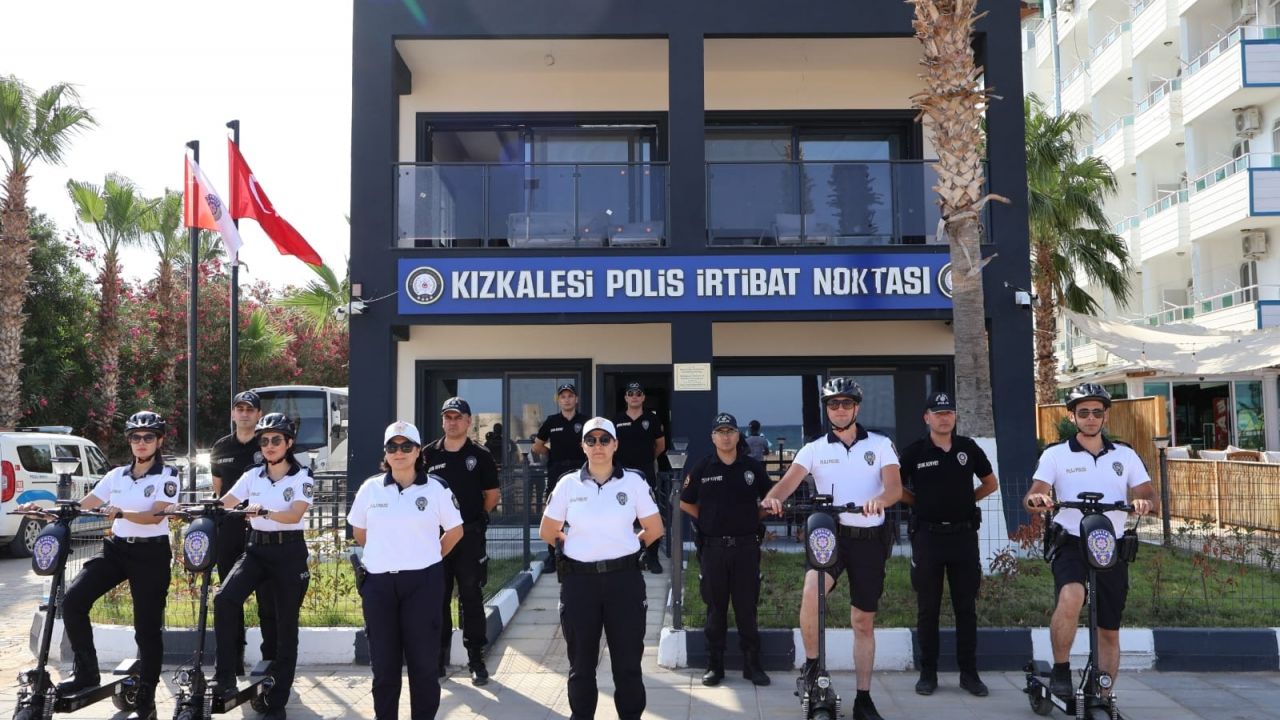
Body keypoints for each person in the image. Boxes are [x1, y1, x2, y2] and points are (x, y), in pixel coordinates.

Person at [19, 411, 179, 720]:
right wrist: (43, 511)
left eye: (148, 437)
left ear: (159, 441)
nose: (141, 442)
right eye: (135, 437)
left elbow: (157, 515)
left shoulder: (168, 475)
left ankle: (146, 697)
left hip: (151, 554)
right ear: (129, 441)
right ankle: (87, 673)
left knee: (146, 628)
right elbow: (83, 506)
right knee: (73, 601)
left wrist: (123, 513)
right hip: (116, 550)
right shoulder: (117, 475)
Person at [761, 378, 902, 720]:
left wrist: (879, 501)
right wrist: (771, 500)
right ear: (827, 410)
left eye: (846, 403)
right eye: (833, 404)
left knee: (863, 621)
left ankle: (864, 698)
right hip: (830, 535)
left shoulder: (881, 445)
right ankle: (813, 668)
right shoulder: (813, 449)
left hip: (869, 539)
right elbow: (785, 485)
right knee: (812, 592)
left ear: (857, 407)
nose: (839, 409)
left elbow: (894, 488)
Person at [1024, 383, 1155, 700]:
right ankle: (1061, 669)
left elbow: (1148, 494)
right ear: (1072, 416)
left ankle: (1103, 694)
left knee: (1109, 627)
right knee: (1071, 597)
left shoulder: (1125, 455)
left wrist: (1144, 502)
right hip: (1071, 541)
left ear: (1105, 416)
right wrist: (1039, 500)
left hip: (1111, 544)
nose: (1091, 418)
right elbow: (1032, 496)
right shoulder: (1056, 454)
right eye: (1083, 412)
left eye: (1097, 412)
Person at [539, 418, 664, 720]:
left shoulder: (634, 482)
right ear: (582, 446)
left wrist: (628, 545)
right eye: (591, 440)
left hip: (624, 582)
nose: (598, 446)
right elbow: (548, 530)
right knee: (581, 665)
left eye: (605, 440)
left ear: (615, 445)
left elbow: (654, 528)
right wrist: (574, 544)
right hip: (580, 583)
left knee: (628, 665)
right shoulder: (568, 484)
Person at [349, 420, 464, 720]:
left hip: (422, 584)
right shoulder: (370, 489)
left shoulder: (436, 488)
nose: (398, 452)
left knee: (423, 665)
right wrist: (387, 553)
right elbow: (359, 532)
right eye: (392, 447)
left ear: (417, 451)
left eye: (406, 446)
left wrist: (428, 556)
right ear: (385, 453)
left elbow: (455, 531)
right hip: (379, 586)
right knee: (383, 666)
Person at [210, 413, 314, 720]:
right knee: (224, 599)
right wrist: (205, 508)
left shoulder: (302, 476)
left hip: (289, 552)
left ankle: (277, 700)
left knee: (285, 625)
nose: (269, 445)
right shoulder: (252, 475)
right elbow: (227, 500)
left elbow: (295, 514)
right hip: (256, 550)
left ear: (289, 443)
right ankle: (225, 677)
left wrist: (264, 511)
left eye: (276, 440)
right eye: (264, 440)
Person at [898, 391, 998, 697]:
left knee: (965, 608)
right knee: (928, 608)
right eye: (938, 413)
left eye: (949, 413)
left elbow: (990, 483)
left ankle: (969, 674)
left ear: (955, 417)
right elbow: (895, 487)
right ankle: (928, 673)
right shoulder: (915, 451)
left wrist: (967, 501)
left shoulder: (968, 448)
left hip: (963, 537)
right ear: (926, 418)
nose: (944, 418)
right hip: (927, 537)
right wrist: (918, 503)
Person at [678, 412, 771, 687]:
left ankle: (752, 665)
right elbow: (685, 501)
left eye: (730, 431)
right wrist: (707, 520)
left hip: (746, 548)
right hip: (714, 550)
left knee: (746, 608)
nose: (726, 436)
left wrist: (752, 518)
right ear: (713, 437)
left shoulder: (752, 467)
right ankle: (714, 665)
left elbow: (771, 499)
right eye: (720, 432)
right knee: (715, 609)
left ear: (738, 435)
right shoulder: (703, 467)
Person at [422, 397, 501, 684]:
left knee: (471, 597)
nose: (452, 422)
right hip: (436, 539)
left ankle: (476, 659)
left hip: (469, 537)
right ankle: (438, 659)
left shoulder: (480, 455)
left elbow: (491, 495)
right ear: (442, 421)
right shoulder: (427, 455)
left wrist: (474, 519)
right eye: (448, 417)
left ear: (468, 421)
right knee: (437, 598)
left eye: (458, 417)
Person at [208, 390, 275, 676]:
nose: (245, 414)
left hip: (261, 528)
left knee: (267, 599)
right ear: (233, 413)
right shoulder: (221, 447)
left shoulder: (268, 444)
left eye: (250, 409)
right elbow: (219, 490)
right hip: (230, 530)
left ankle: (271, 662)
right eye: (240, 409)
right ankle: (232, 661)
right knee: (229, 596)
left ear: (259, 414)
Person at [612, 381, 667, 573]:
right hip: (621, 475)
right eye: (630, 393)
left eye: (638, 393)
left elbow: (660, 446)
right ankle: (622, 556)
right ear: (625, 398)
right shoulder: (616, 420)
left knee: (649, 516)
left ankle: (652, 557)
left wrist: (647, 459)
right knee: (620, 515)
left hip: (645, 474)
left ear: (643, 397)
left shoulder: (652, 419)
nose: (634, 397)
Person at [533, 383, 589, 505]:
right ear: (558, 401)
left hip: (580, 469)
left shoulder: (586, 421)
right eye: (563, 397)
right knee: (554, 505)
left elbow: (594, 443)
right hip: (557, 470)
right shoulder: (551, 421)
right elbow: (536, 446)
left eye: (570, 396)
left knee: (581, 504)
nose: (567, 400)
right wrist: (550, 452)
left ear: (576, 399)